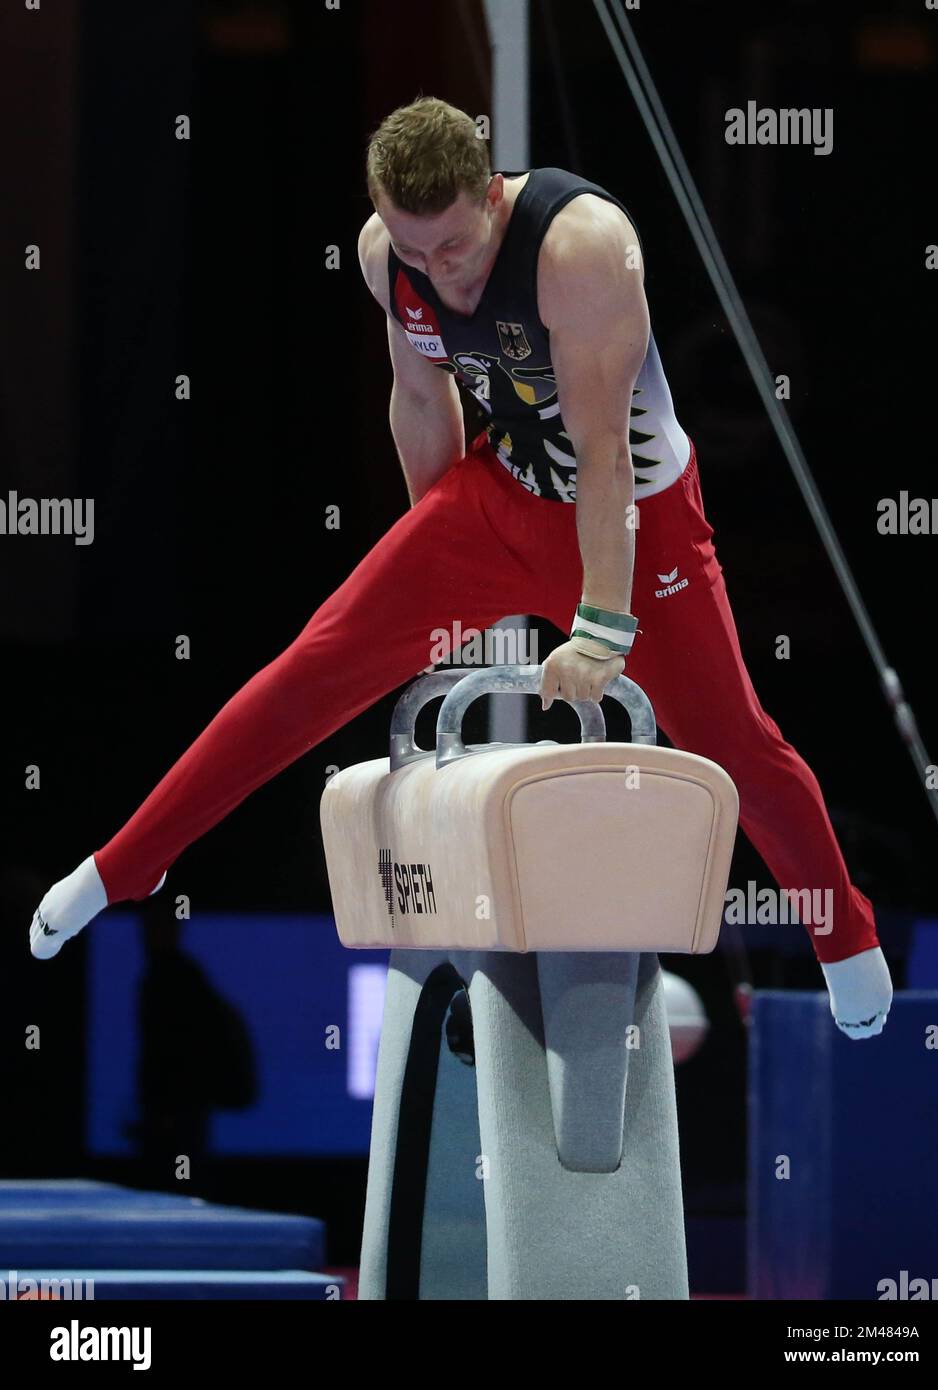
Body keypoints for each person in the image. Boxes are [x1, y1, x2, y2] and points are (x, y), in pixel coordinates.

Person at [29, 96, 892, 1038]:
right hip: (494, 501)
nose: (436, 269)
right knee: (304, 676)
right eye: (414, 251)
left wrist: (603, 627)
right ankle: (127, 864)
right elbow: (417, 396)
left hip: (631, 519)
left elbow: (603, 452)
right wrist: (436, 569)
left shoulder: (581, 248)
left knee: (733, 746)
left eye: (452, 248)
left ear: (490, 195)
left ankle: (844, 938)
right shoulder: (386, 255)